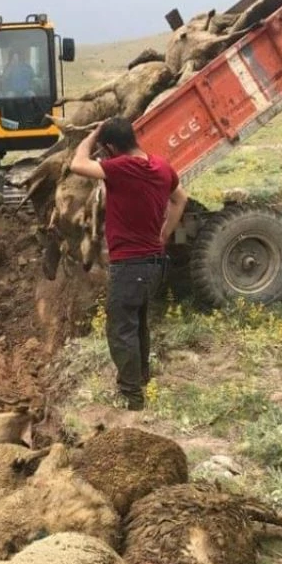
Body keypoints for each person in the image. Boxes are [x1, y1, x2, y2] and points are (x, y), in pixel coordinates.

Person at [70, 116, 188, 410]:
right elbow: (180, 199)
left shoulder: (120, 168)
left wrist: (93, 132)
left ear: (110, 147)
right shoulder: (161, 167)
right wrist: (164, 234)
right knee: (138, 325)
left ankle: (131, 396)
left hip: (130, 265)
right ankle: (141, 378)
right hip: (155, 264)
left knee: (121, 328)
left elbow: (77, 164)